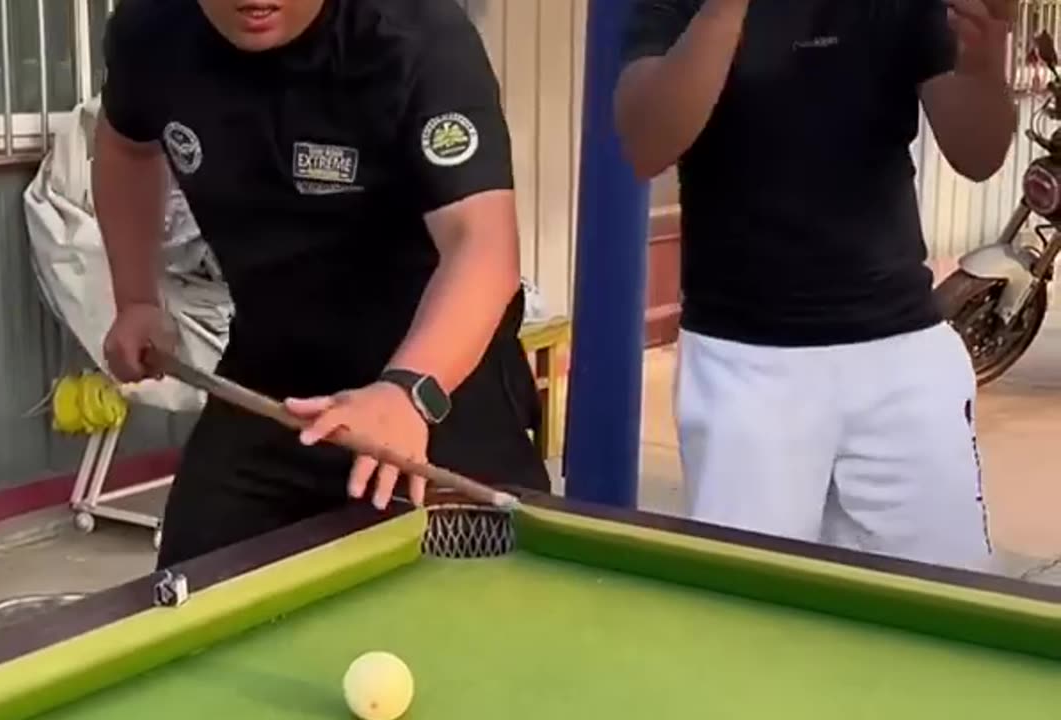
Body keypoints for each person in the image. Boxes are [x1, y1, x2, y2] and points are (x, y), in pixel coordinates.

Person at [95, 0, 550, 570]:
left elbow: (482, 246)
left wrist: (406, 393)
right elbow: (125, 144)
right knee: (189, 592)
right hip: (271, 388)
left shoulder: (417, 39)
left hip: (437, 389)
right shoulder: (154, 30)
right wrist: (136, 297)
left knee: (487, 601)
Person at [615, 0, 1018, 569]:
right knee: (752, 603)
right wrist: (722, 13)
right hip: (745, 363)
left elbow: (978, 155)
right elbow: (645, 143)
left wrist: (983, 68)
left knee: (950, 593)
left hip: (901, 349)